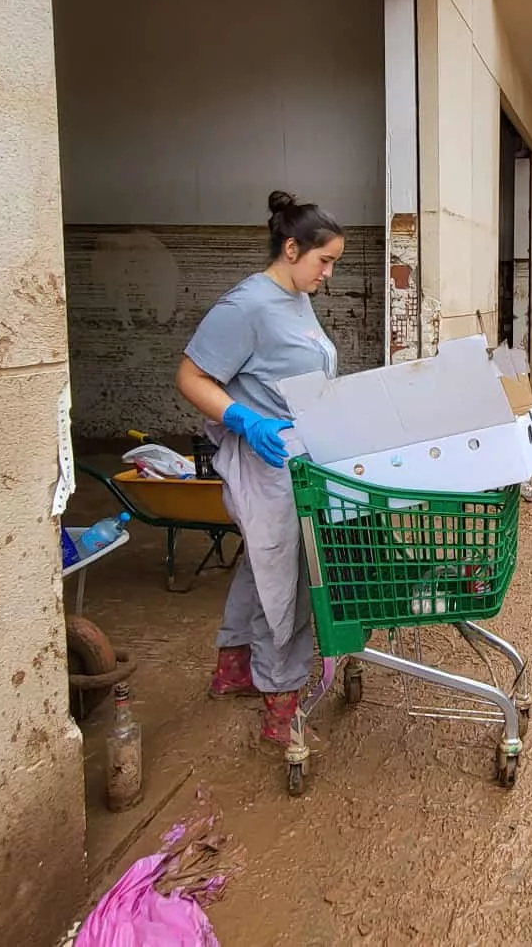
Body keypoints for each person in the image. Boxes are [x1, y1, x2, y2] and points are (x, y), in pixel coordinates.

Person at [175, 191, 345, 746]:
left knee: (262, 565)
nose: (329, 273)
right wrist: (245, 420)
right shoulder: (244, 306)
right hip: (266, 463)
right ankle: (280, 702)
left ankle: (233, 669)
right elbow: (191, 378)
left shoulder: (297, 297)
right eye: (324, 261)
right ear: (291, 248)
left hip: (300, 458)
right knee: (286, 580)